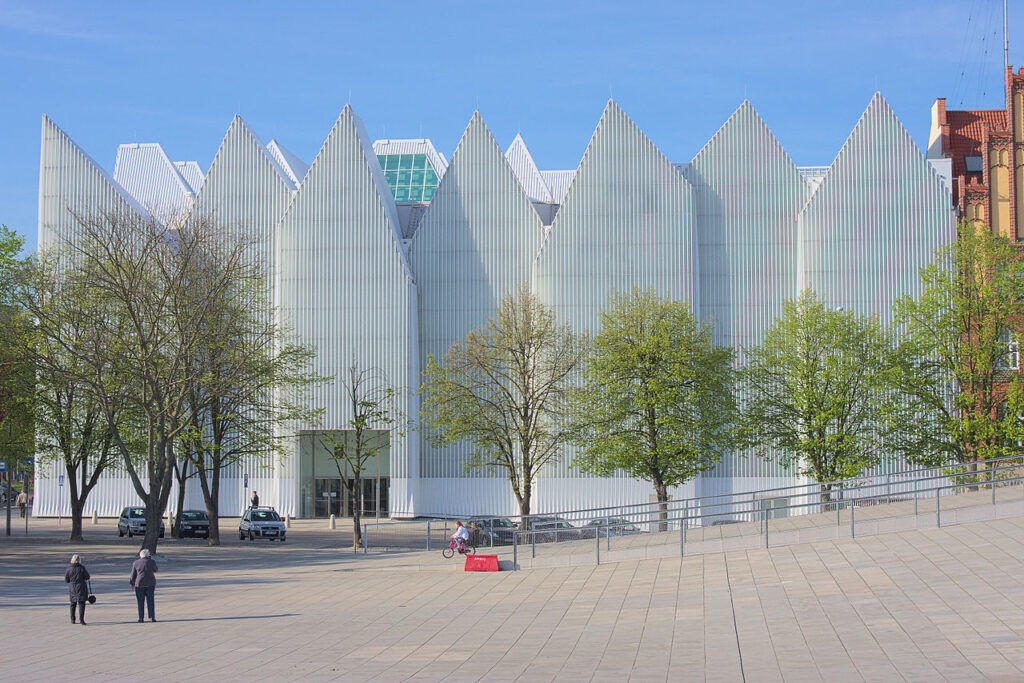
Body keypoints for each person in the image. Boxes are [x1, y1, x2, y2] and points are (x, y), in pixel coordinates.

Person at [130, 549, 159, 623]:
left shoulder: (136, 563)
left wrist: (132, 583)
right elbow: (156, 570)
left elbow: (133, 574)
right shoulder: (152, 562)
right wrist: (151, 560)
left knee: (140, 601)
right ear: (148, 555)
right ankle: (152, 617)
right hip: (150, 583)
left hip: (139, 584)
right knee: (150, 601)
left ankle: (141, 618)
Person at [64, 555, 90, 625]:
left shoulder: (69, 569)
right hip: (81, 587)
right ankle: (81, 620)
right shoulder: (82, 568)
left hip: (72, 588)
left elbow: (66, 580)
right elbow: (87, 577)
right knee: (81, 604)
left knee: (73, 604)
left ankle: (72, 619)